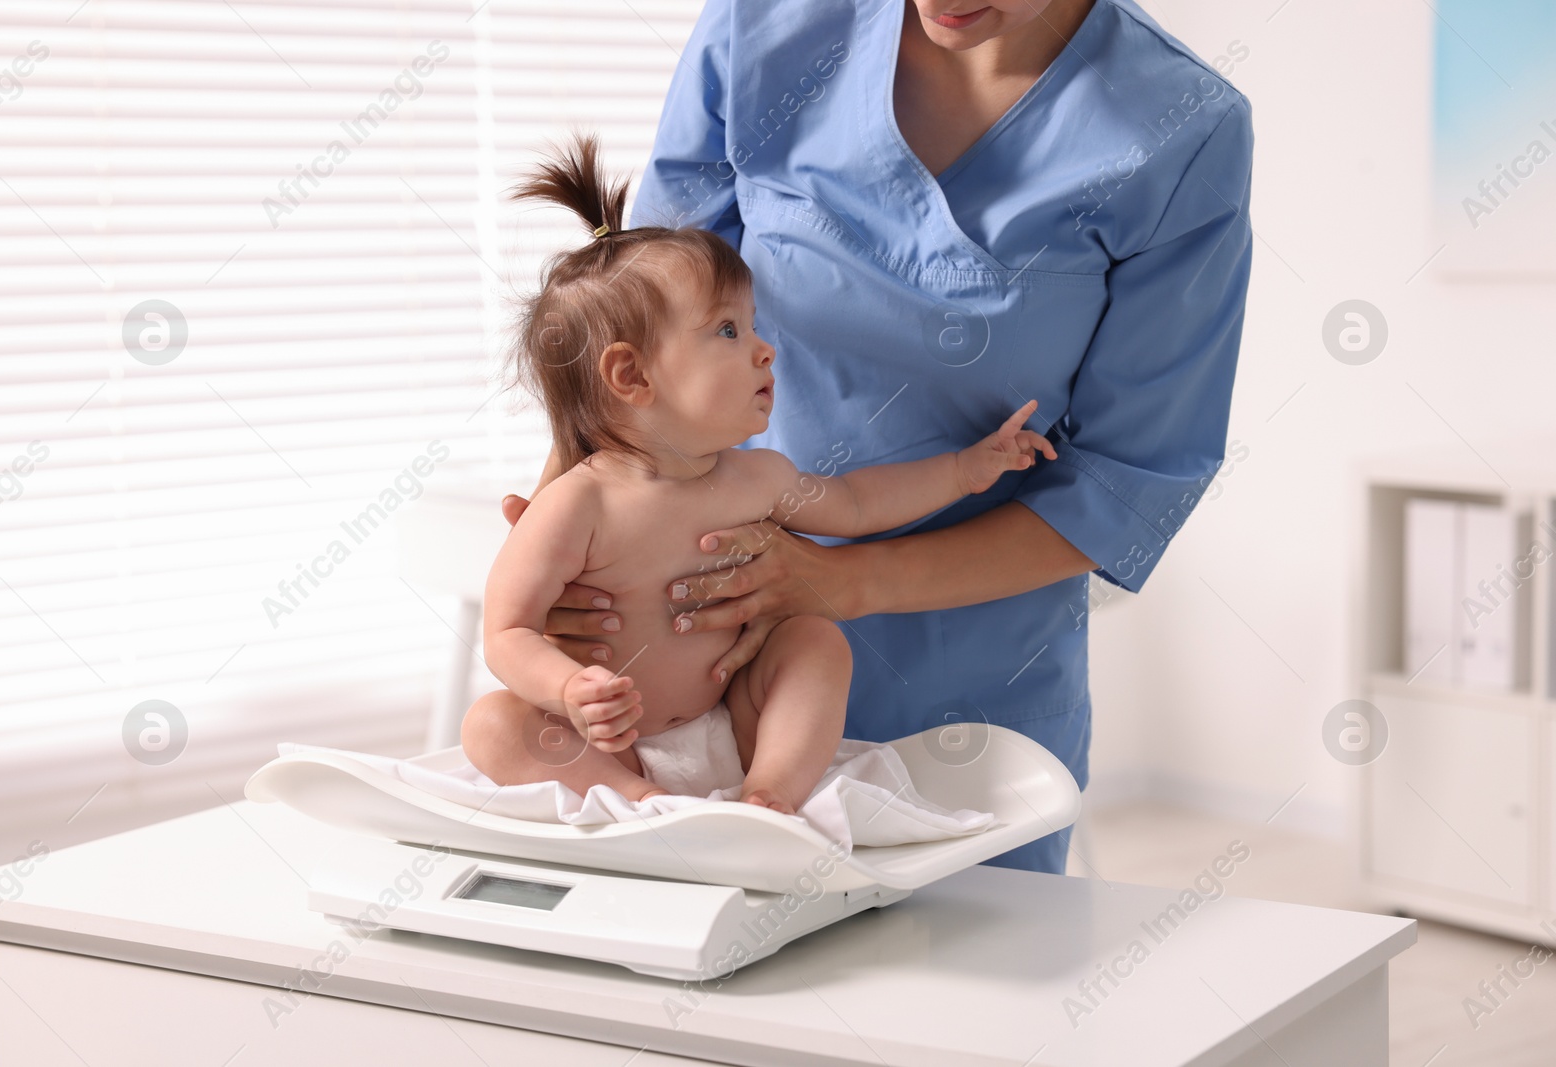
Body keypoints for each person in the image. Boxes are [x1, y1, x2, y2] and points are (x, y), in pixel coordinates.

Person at [500, 0, 1255, 872]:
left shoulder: (1179, 131)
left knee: (956, 989)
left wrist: (836, 581)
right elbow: (633, 325)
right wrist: (565, 547)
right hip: (684, 660)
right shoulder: (765, 27)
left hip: (965, 682)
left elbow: (1125, 486)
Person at [467, 135, 1056, 814]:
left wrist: (963, 468)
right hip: (610, 746)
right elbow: (506, 632)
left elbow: (859, 503)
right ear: (631, 375)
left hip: (731, 725)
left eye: (752, 325)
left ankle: (770, 793)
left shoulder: (756, 478)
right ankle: (638, 799)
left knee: (814, 640)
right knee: (492, 724)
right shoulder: (577, 505)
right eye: (728, 331)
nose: (764, 348)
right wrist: (567, 688)